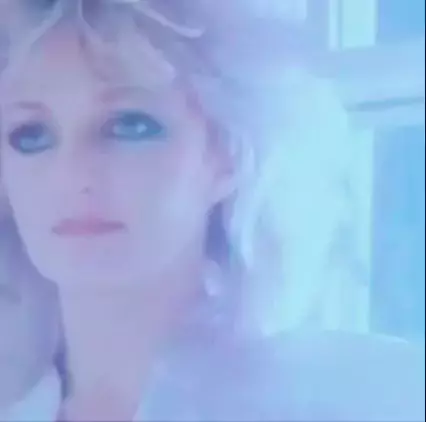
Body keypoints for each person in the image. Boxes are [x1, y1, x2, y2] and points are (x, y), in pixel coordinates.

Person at [0, 0, 424, 421]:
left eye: (130, 125)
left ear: (228, 154)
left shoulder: (369, 398)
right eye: (31, 134)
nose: (72, 174)